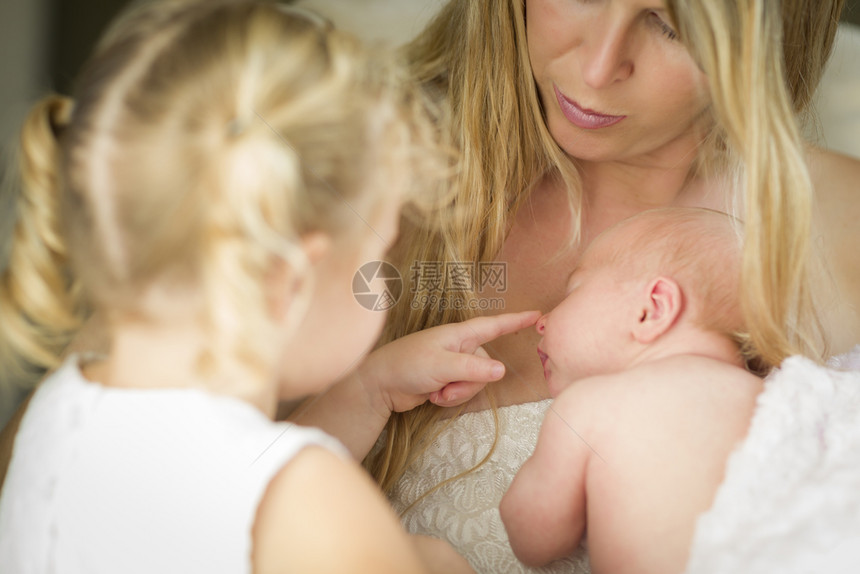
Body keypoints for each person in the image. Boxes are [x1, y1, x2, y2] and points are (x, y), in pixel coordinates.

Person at [286, 1, 860, 573]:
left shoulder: (845, 227)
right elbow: (222, 502)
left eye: (671, 26)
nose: (597, 68)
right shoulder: (342, 176)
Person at [0, 1, 482, 571]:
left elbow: (219, 478)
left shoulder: (56, 414)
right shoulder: (317, 508)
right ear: (290, 280)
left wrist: (368, 390)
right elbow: (268, 497)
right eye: (376, 258)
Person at [499, 208, 764, 572]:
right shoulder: (773, 397)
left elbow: (535, 540)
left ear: (651, 309)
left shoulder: (591, 404)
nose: (543, 321)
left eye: (572, 292)